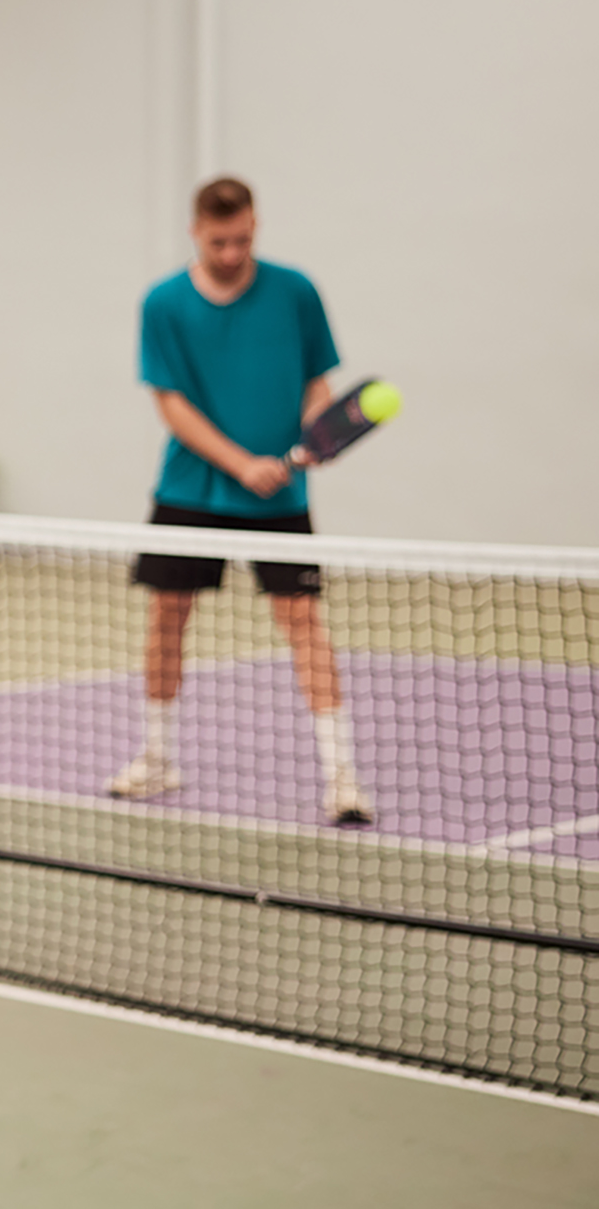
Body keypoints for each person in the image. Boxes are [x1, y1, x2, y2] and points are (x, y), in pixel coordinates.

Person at [107, 175, 373, 825]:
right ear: (195, 232)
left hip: (280, 499)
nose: (232, 253)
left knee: (303, 621)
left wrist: (314, 431)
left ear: (255, 227)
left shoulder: (296, 291)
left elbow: (317, 382)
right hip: (190, 491)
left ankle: (342, 779)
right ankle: (157, 757)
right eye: (219, 242)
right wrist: (241, 465)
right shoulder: (163, 303)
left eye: (243, 240)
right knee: (167, 619)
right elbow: (171, 404)